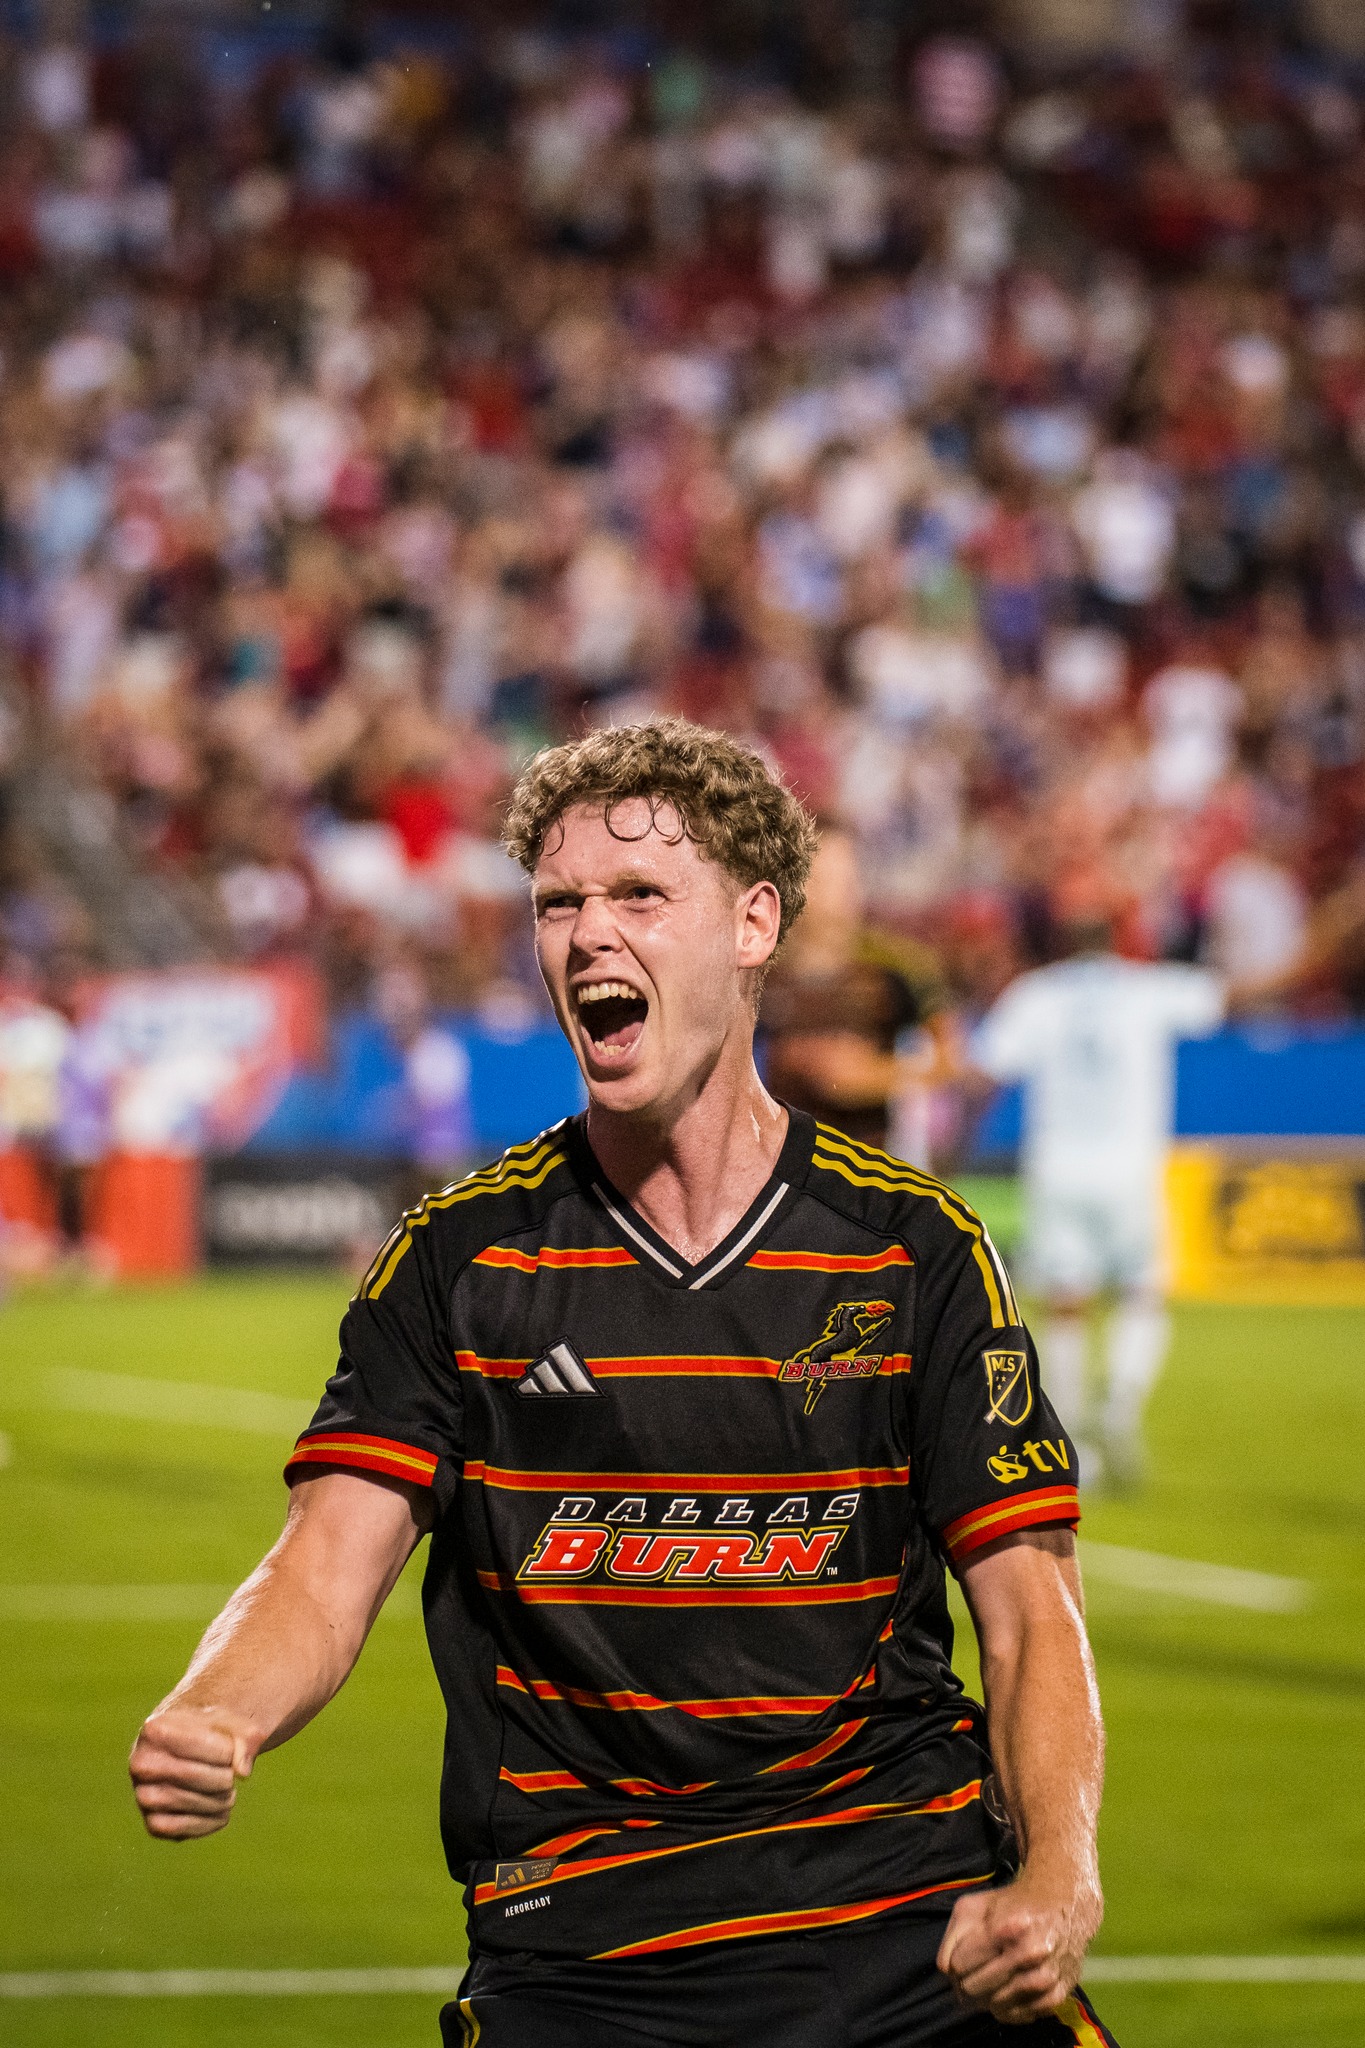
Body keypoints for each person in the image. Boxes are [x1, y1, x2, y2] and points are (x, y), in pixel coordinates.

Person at [129, 718, 1116, 2048]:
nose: (589, 934)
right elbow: (323, 1562)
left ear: (754, 924)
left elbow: (1030, 1612)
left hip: (902, 1923)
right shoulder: (461, 1258)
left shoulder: (913, 1249)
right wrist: (218, 1710)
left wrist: (1058, 1868)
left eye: (640, 895)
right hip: (588, 1949)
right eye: (557, 904)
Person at [973, 913, 1224, 1489]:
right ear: (1120, 940)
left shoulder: (1037, 994)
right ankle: (1121, 1403)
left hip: (1058, 1169)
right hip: (1130, 1171)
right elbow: (1235, 996)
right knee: (1142, 1293)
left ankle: (1076, 1438)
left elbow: (986, 1068)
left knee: (1064, 1305)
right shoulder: (1148, 987)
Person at [760, 825, 956, 1160]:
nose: (845, 891)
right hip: (779, 1166)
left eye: (851, 875)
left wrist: (871, 1075)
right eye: (828, 877)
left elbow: (950, 1059)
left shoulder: (897, 966)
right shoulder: (759, 968)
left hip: (870, 1169)